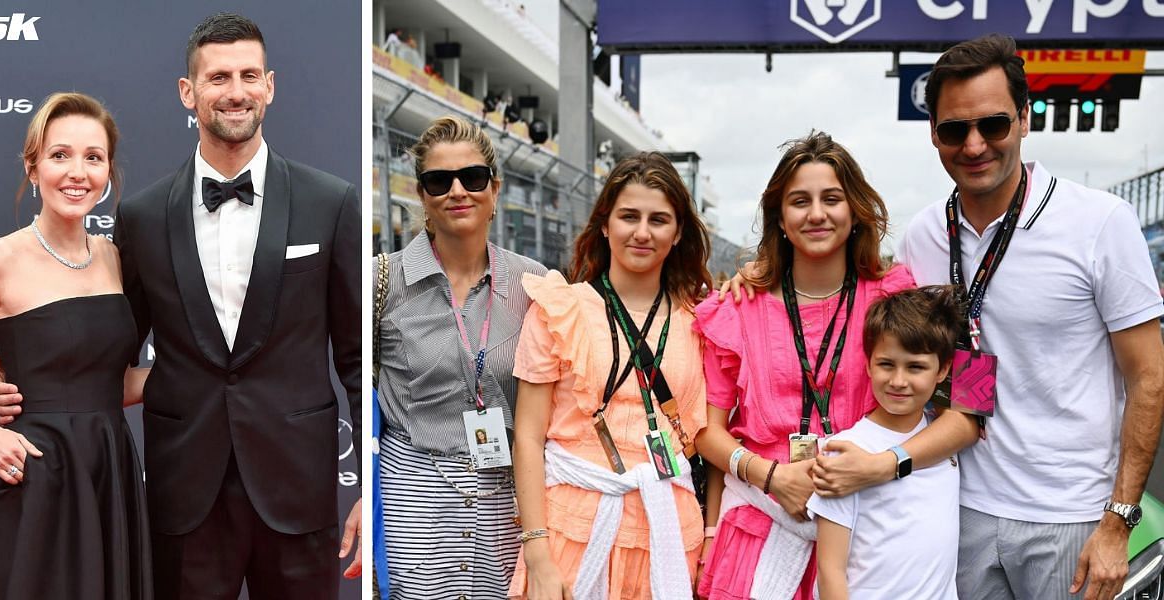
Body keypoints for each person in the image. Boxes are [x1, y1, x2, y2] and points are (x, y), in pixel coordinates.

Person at [0, 13, 362, 599]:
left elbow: (358, 358)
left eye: (247, 75)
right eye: (217, 78)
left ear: (270, 85)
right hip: (184, 494)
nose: (234, 92)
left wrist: (371, 489)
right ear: (189, 92)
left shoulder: (332, 203)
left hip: (298, 490)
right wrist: (31, 384)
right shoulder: (140, 217)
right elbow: (107, 347)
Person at [899, 34, 1164, 600]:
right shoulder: (922, 236)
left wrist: (1118, 522)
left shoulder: (1099, 222)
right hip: (957, 508)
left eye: (992, 125)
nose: (973, 145)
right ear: (933, 135)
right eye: (954, 130)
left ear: (1023, 118)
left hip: (1072, 518)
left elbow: (1149, 377)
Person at [692, 131, 933, 600]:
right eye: (800, 201)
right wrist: (771, 477)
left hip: (869, 527)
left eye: (832, 199)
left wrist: (878, 466)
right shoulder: (739, 307)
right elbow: (706, 430)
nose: (817, 214)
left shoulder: (893, 298)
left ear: (855, 212)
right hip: (761, 525)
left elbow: (957, 413)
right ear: (779, 218)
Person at [0, 92, 151, 599]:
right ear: (33, 166)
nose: (77, 172)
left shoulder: (115, 258)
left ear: (108, 171)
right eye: (60, 155)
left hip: (107, 473)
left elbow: (116, 384)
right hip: (35, 479)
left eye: (93, 157)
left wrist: (207, 369)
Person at [509, 151, 711, 600]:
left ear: (678, 233)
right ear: (605, 224)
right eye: (628, 216)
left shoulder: (702, 320)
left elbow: (706, 436)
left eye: (659, 219)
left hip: (666, 531)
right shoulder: (560, 308)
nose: (642, 232)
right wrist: (538, 553)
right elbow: (527, 436)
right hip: (569, 530)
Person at [373, 114, 546, 599]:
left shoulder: (534, 284)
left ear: (494, 188)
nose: (457, 191)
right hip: (415, 495)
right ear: (422, 194)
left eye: (471, 178)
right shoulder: (382, 282)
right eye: (438, 180)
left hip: (507, 498)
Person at [808, 286, 963, 600]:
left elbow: (971, 419)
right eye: (886, 365)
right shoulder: (845, 450)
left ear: (943, 370)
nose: (898, 381)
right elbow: (829, 570)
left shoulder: (943, 436)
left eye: (915, 367)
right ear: (868, 364)